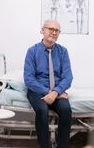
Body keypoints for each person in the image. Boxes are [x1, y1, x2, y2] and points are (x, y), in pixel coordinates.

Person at [24, 20, 73, 148]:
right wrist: (48, 93)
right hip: (37, 90)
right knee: (42, 109)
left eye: (57, 30)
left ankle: (62, 146)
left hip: (57, 91)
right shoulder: (32, 51)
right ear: (42, 30)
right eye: (51, 29)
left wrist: (56, 92)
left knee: (66, 109)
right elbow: (29, 79)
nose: (54, 32)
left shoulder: (63, 52)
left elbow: (68, 77)